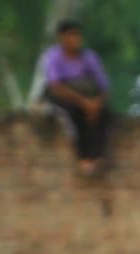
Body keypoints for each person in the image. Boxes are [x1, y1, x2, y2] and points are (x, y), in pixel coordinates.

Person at [43, 20, 112, 177]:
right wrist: (84, 103)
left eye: (77, 34)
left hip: (90, 100)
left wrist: (96, 104)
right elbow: (56, 85)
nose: (75, 38)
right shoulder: (53, 56)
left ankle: (97, 157)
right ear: (62, 37)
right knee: (73, 115)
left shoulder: (89, 57)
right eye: (71, 34)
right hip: (65, 99)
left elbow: (104, 85)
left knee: (105, 115)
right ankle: (82, 158)